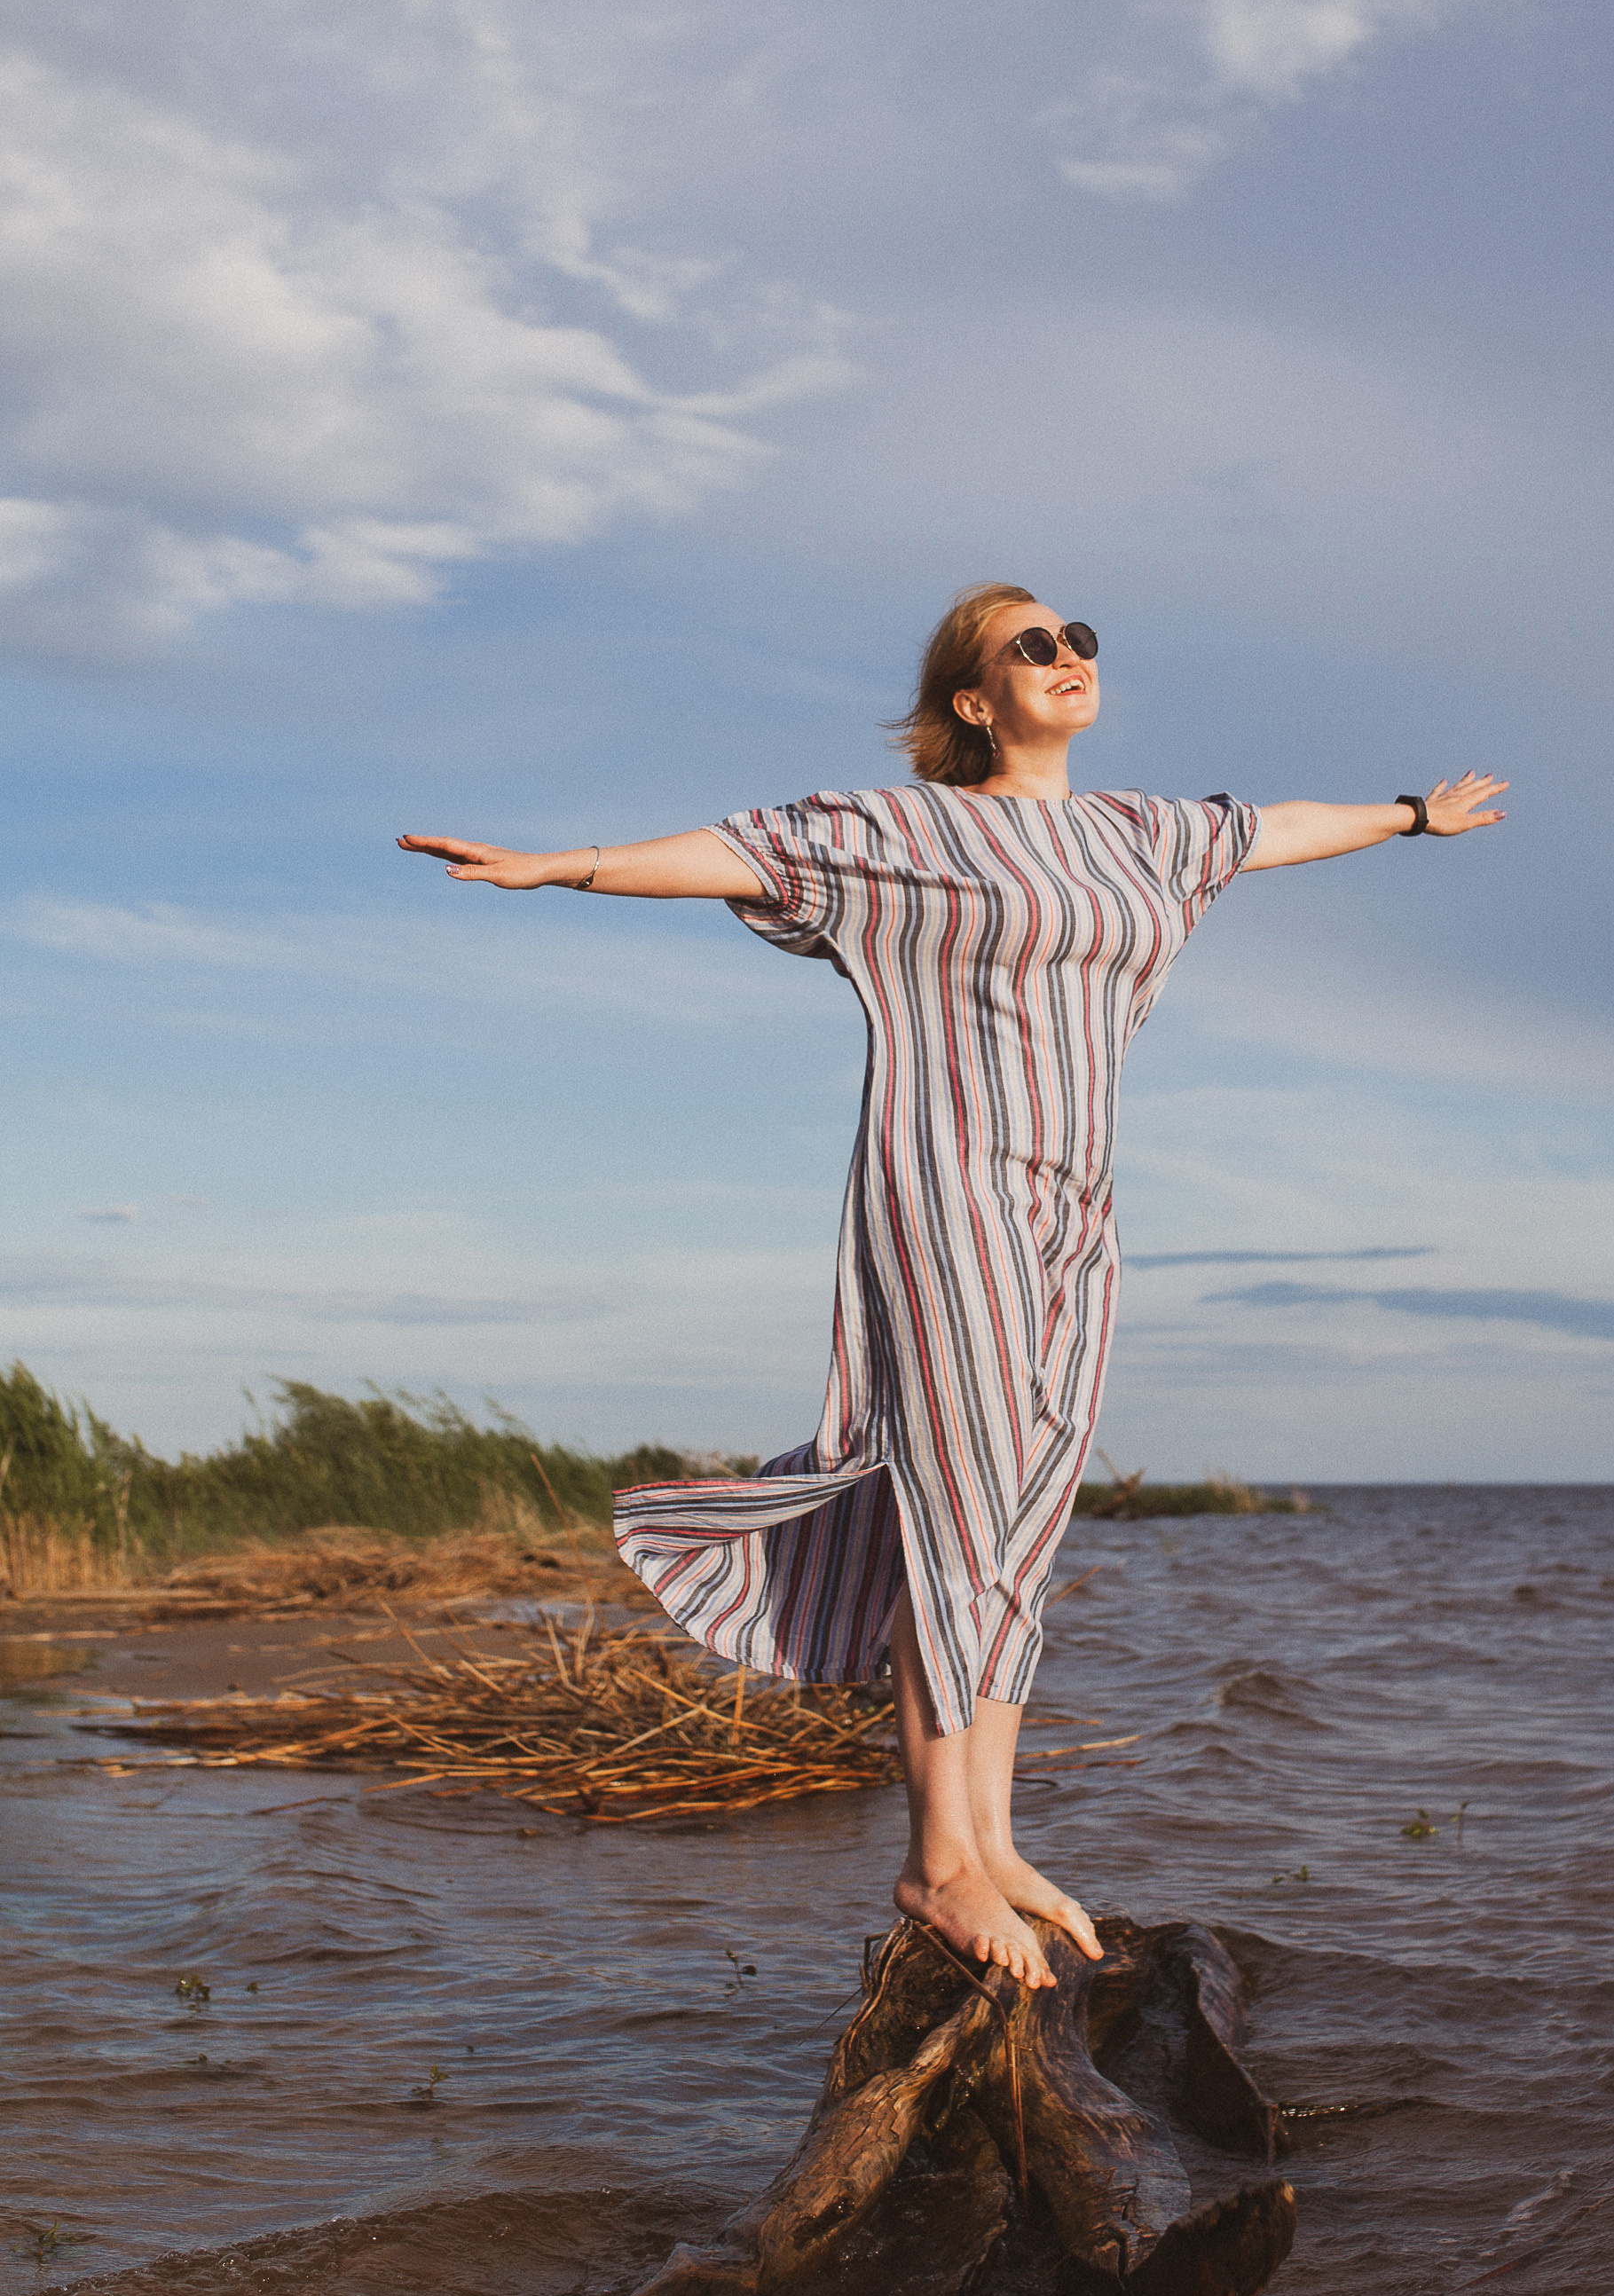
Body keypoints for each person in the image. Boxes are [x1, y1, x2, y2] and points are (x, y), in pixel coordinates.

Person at [400, 583, 1504, 1991]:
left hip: (1077, 1212)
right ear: (974, 701)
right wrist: (562, 864)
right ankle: (936, 1862)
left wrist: (1414, 816)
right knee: (957, 1506)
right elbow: (740, 853)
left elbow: (1275, 830)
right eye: (1031, 646)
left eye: (1081, 637)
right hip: (950, 1194)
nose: (1069, 658)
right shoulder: (906, 832)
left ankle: (991, 1837)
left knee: (1026, 1519)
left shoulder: (1139, 836)